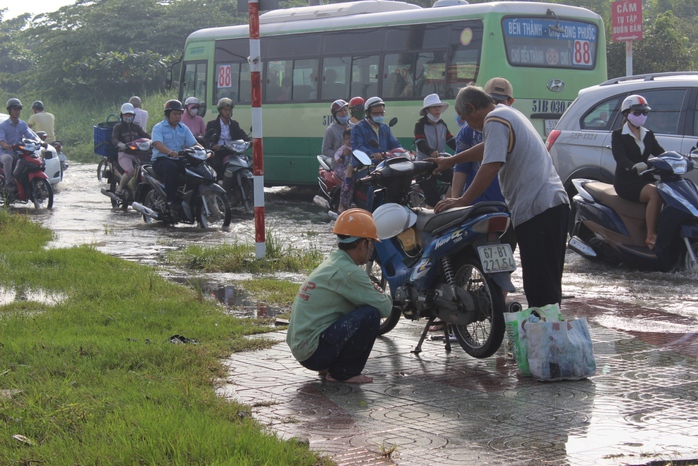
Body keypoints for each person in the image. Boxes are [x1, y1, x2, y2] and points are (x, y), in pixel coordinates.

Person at [433, 85, 569, 309]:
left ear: (471, 107)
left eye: (466, 118)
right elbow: (488, 148)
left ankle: (545, 337)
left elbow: (491, 164)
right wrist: (450, 161)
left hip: (539, 207)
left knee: (540, 284)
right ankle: (547, 333)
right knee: (545, 281)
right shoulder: (507, 113)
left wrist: (463, 200)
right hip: (551, 204)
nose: (469, 125)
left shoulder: (494, 119)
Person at [286, 208, 392, 383]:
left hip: (302, 348)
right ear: (362, 244)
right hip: (313, 353)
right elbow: (386, 308)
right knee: (370, 315)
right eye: (371, 243)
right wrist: (379, 291)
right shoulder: (350, 273)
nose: (372, 248)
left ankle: (329, 366)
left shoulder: (333, 262)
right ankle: (344, 372)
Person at [612, 94, 665, 250]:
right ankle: (651, 236)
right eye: (637, 113)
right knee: (655, 193)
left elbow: (660, 152)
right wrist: (633, 166)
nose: (641, 116)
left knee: (669, 191)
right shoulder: (618, 135)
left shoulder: (648, 134)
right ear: (626, 114)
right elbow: (619, 157)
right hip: (627, 182)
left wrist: (678, 159)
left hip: (644, 178)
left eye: (644, 113)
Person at [452, 77, 515, 203]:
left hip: (505, 202)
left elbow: (491, 166)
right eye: (492, 100)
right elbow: (461, 168)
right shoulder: (468, 131)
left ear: (510, 101)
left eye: (500, 101)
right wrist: (455, 200)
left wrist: (463, 200)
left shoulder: (502, 122)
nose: (496, 106)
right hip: (477, 202)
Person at [151, 99, 199, 214]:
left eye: (179, 114)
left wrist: (204, 151)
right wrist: (169, 152)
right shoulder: (158, 127)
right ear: (168, 114)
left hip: (179, 159)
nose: (178, 117)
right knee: (171, 167)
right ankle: (171, 200)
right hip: (161, 160)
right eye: (175, 114)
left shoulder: (184, 128)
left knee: (195, 169)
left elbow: (194, 143)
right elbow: (158, 144)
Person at [413, 93, 456, 207]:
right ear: (427, 110)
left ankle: (446, 202)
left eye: (439, 107)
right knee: (431, 195)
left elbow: (451, 140)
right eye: (434, 107)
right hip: (425, 164)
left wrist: (464, 150)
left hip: (440, 162)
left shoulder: (443, 124)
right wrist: (431, 151)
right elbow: (420, 142)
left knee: (456, 176)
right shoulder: (420, 125)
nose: (438, 109)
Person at [204, 98, 250, 180]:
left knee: (246, 162)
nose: (228, 112)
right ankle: (217, 183)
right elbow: (206, 138)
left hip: (232, 151)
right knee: (216, 164)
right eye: (225, 110)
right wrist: (213, 145)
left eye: (229, 110)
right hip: (218, 152)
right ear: (220, 111)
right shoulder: (212, 124)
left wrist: (250, 141)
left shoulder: (234, 124)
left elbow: (242, 135)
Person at [322, 99, 355, 213]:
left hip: (355, 160)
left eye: (345, 110)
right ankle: (342, 205)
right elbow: (325, 150)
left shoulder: (354, 127)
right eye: (341, 112)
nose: (344, 113)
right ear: (335, 115)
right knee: (349, 178)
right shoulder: (331, 130)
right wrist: (340, 153)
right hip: (339, 164)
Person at [111, 102, 150, 196]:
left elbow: (146, 135)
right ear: (122, 115)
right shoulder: (118, 127)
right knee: (130, 171)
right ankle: (119, 189)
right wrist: (120, 144)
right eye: (126, 114)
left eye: (130, 115)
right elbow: (114, 138)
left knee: (146, 169)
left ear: (133, 115)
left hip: (137, 153)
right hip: (124, 154)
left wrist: (155, 140)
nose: (128, 116)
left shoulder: (136, 126)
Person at [0, 98, 37, 194]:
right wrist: (6, 145)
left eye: (19, 109)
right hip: (5, 152)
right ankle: (9, 183)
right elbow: (2, 140)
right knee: (8, 158)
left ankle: (21, 180)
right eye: (15, 109)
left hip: (19, 152)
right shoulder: (3, 126)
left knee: (28, 160)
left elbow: (30, 136)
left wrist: (39, 142)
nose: (18, 112)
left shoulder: (22, 124)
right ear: (9, 110)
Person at [351, 96, 402, 164]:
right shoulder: (358, 128)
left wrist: (404, 152)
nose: (379, 115)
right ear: (367, 113)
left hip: (384, 165)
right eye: (375, 113)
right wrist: (372, 154)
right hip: (366, 166)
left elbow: (395, 144)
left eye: (381, 113)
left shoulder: (385, 128)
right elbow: (358, 147)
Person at [334, 129, 355, 213]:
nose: (348, 141)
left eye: (350, 138)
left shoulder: (357, 147)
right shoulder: (343, 148)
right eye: (346, 139)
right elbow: (336, 154)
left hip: (354, 168)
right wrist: (339, 158)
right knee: (348, 180)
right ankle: (342, 204)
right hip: (342, 167)